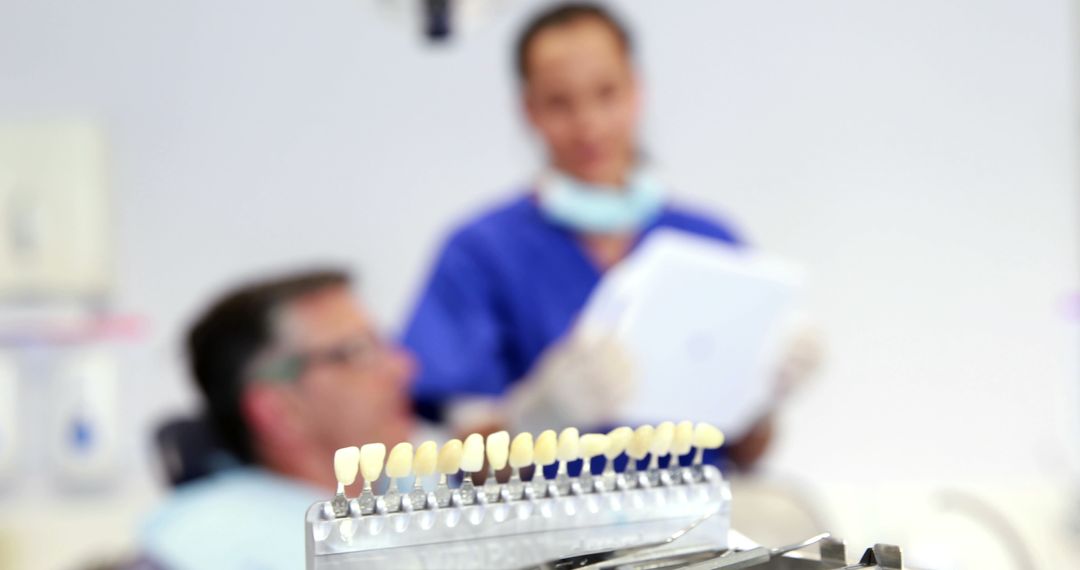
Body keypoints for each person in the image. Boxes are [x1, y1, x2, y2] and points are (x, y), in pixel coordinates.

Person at [404, 2, 790, 468]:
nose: (588, 123)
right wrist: (534, 420)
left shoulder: (710, 243)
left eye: (606, 93)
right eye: (559, 103)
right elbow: (466, 464)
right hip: (550, 532)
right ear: (529, 110)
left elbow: (746, 453)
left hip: (702, 526)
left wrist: (764, 397)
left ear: (636, 91)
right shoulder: (479, 254)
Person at [139, 270, 415, 569]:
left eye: (383, 345)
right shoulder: (205, 546)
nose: (402, 368)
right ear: (278, 409)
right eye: (356, 352)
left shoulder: (417, 492)